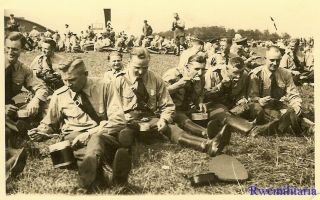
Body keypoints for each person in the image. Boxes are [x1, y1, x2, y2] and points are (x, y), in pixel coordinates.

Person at [28, 57, 132, 189]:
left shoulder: (105, 87)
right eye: (64, 80)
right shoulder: (60, 95)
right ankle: (111, 176)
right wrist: (41, 132)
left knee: (96, 140)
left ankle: (85, 185)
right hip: (74, 141)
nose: (68, 84)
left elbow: (119, 120)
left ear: (86, 75)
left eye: (72, 80)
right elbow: (50, 124)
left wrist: (90, 134)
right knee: (88, 150)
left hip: (102, 135)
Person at [114, 48, 230, 156]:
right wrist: (127, 120)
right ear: (128, 62)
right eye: (137, 67)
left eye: (145, 68)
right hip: (127, 121)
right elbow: (111, 109)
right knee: (125, 134)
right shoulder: (118, 81)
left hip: (150, 120)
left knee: (172, 128)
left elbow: (168, 105)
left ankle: (208, 145)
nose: (141, 72)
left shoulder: (155, 78)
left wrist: (164, 119)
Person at [5, 32, 48, 180]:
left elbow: (42, 88)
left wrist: (35, 100)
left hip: (9, 111)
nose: (10, 52)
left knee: (9, 129)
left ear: (22, 50)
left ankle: (12, 154)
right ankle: (12, 155)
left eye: (15, 49)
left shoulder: (23, 70)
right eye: (8, 48)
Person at [248, 46, 304, 136]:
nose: (275, 63)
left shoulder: (285, 73)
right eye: (272, 60)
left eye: (278, 60)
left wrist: (297, 105)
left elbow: (293, 94)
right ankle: (279, 126)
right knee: (259, 110)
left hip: (277, 105)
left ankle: (271, 127)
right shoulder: (256, 74)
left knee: (293, 111)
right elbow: (251, 96)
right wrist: (259, 100)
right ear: (266, 59)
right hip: (262, 107)